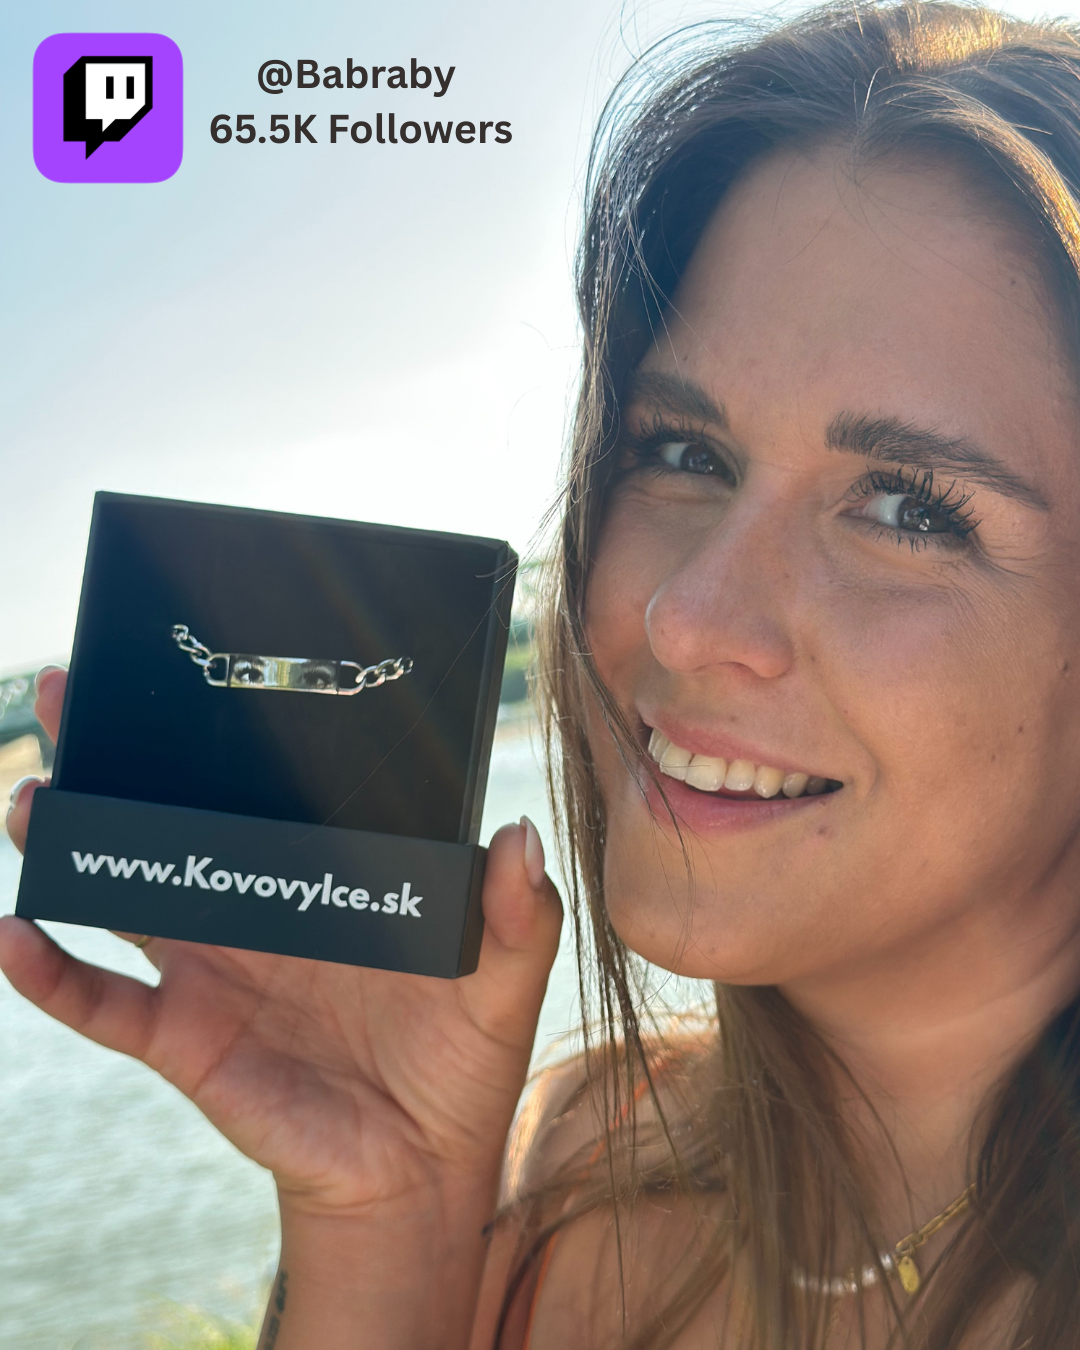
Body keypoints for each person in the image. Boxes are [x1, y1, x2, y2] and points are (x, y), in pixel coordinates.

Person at [9, 1, 1080, 1343]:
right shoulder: (577, 1167)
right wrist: (383, 1226)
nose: (684, 618)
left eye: (910, 507)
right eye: (682, 453)